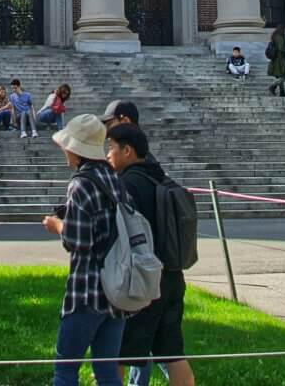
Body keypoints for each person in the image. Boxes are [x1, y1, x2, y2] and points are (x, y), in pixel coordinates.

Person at [42, 113, 127, 386]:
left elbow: (77, 240)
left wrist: (57, 225)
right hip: (116, 290)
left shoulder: (80, 183)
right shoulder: (115, 179)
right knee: (107, 371)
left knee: (65, 369)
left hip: (87, 290)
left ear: (76, 150)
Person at [106, 122, 193, 386]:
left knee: (116, 355)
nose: (108, 155)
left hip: (142, 282)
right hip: (172, 276)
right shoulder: (163, 178)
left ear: (127, 151)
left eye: (111, 148)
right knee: (173, 353)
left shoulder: (126, 185)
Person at [264, 24, 285, 97]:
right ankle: (272, 86)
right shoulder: (279, 36)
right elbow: (281, 48)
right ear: (282, 29)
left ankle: (282, 92)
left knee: (279, 76)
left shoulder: (275, 35)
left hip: (276, 58)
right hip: (280, 59)